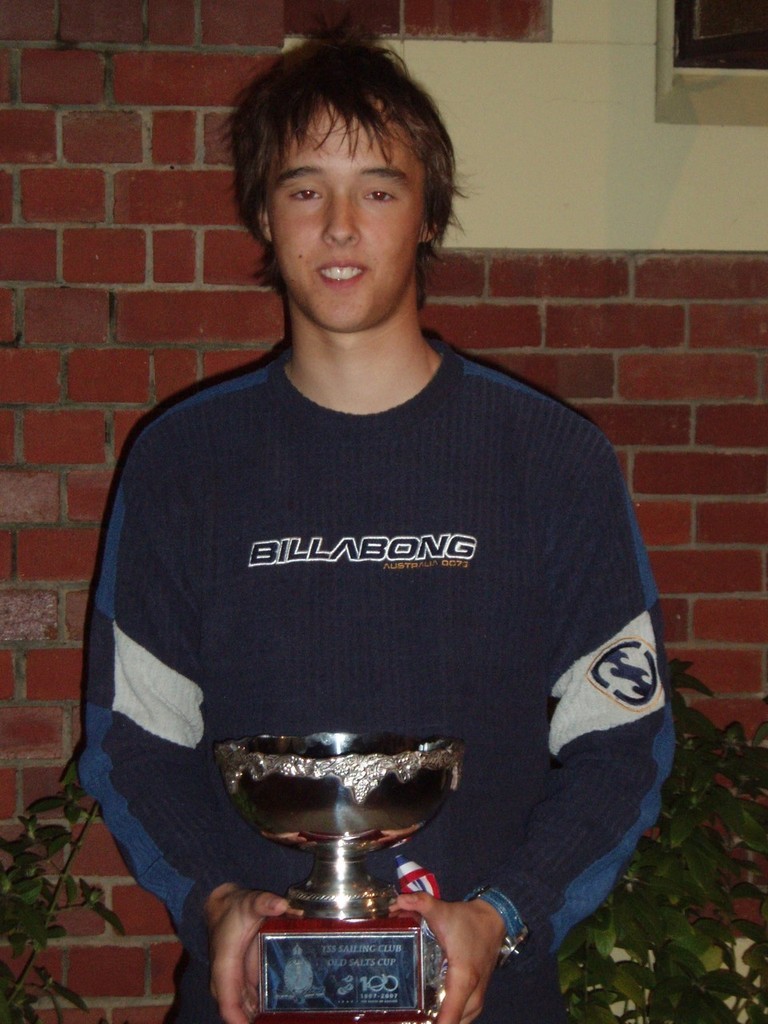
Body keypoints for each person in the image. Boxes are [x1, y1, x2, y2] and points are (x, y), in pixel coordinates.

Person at [80, 30, 674, 1024]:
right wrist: (215, 903)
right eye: (306, 189)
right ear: (265, 216)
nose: (342, 226)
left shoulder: (550, 459)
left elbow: (626, 742)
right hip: (249, 998)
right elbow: (134, 745)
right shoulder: (183, 462)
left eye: (381, 190)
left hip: (493, 1000)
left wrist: (504, 914)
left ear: (429, 217)